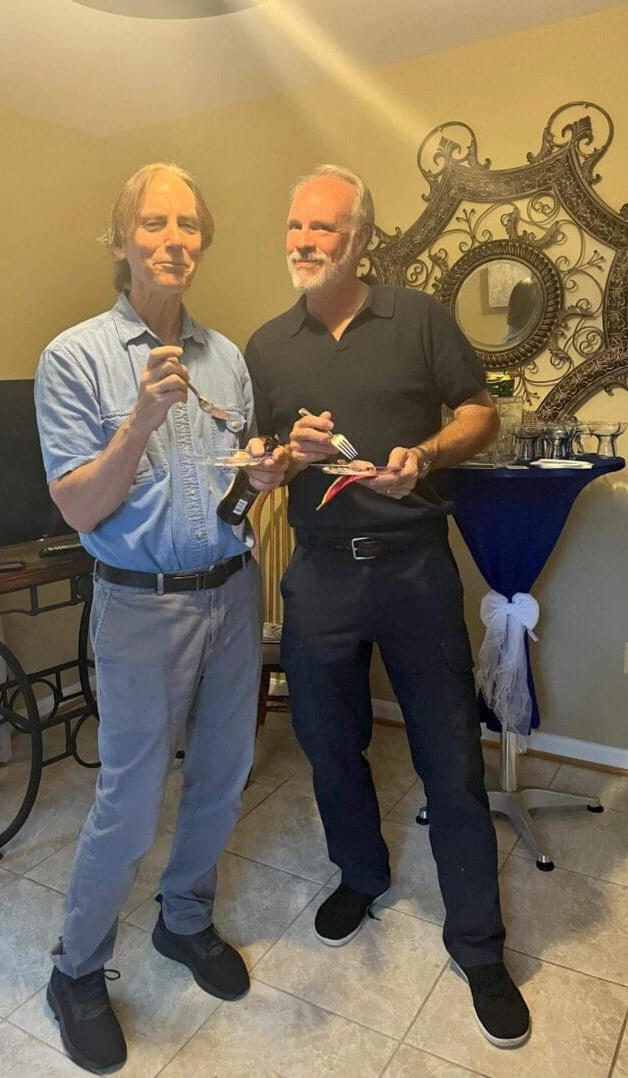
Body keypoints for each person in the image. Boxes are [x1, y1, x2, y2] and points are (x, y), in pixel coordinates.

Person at [244, 164, 530, 1049]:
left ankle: (478, 945)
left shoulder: (420, 318)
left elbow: (481, 412)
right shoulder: (268, 343)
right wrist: (271, 463)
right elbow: (257, 455)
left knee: (449, 759)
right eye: (294, 226)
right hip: (319, 572)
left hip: (413, 572)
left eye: (322, 228)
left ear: (360, 236)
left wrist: (428, 453)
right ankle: (360, 875)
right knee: (329, 745)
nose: (303, 241)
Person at [35, 162, 288, 1073]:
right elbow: (77, 509)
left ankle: (183, 922)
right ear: (121, 242)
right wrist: (137, 421)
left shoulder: (227, 358)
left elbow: (230, 489)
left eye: (188, 223)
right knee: (130, 804)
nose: (173, 238)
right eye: (153, 223)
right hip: (138, 612)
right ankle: (76, 969)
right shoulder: (73, 358)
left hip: (230, 590)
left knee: (223, 777)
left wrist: (264, 476)